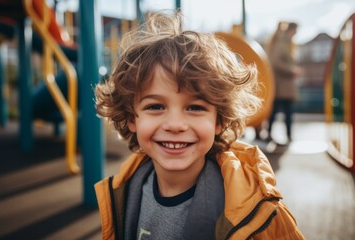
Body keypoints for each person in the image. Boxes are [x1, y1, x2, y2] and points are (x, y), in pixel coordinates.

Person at [94, 11, 305, 240]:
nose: (175, 125)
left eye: (195, 108)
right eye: (155, 107)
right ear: (131, 118)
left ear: (219, 120)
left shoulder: (261, 212)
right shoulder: (126, 190)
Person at [266, 22, 303, 143]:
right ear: (291, 30)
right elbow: (275, 62)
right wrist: (291, 70)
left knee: (281, 111)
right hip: (282, 86)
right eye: (295, 30)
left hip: (284, 86)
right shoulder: (282, 44)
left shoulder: (287, 44)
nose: (296, 33)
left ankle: (277, 134)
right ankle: (278, 135)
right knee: (282, 111)